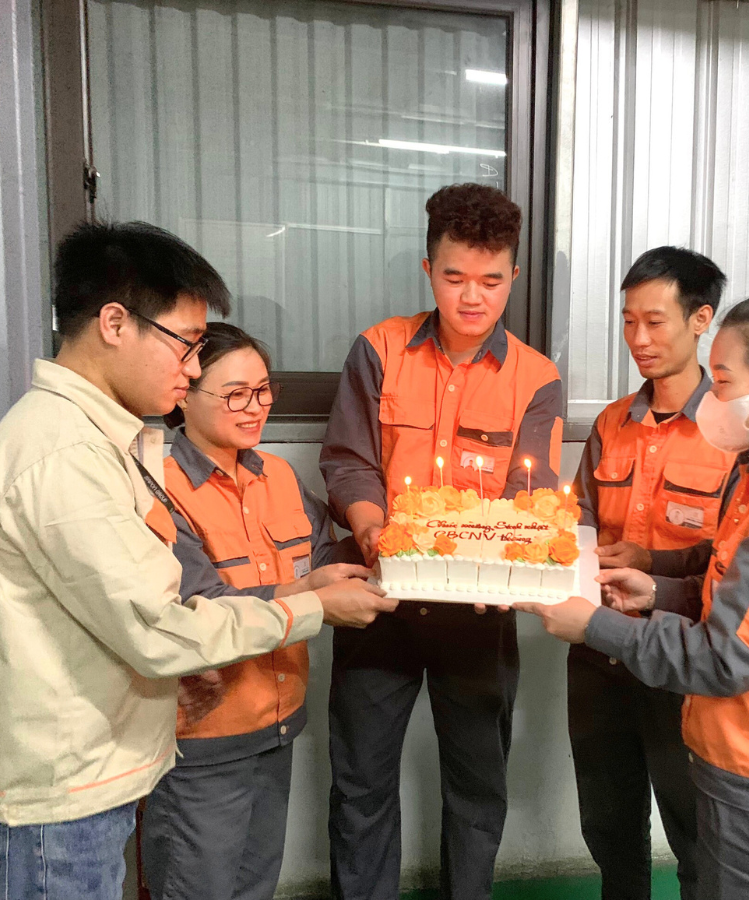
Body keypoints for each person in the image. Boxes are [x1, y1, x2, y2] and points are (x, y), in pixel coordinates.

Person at [0, 222, 395, 900]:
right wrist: (312, 606)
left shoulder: (110, 444)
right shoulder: (68, 455)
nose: (189, 368)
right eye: (185, 345)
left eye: (262, 390)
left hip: (117, 761)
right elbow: (162, 626)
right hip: (70, 789)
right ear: (115, 323)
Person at [517, 291, 749, 900]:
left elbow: (728, 658)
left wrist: (594, 626)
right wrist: (657, 590)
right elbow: (739, 595)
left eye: (723, 382)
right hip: (738, 773)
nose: (712, 400)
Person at [320, 182, 563, 900]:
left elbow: (530, 494)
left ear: (513, 276)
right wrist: (374, 530)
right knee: (361, 781)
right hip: (378, 601)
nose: (472, 297)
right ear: (429, 270)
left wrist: (497, 566)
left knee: (477, 784)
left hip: (477, 614)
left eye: (491, 280)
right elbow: (349, 460)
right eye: (455, 277)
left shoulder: (536, 378)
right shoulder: (379, 348)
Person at [140, 323, 372, 900]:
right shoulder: (159, 490)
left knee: (255, 885)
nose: (255, 408)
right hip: (202, 742)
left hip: (277, 727)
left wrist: (399, 547)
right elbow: (199, 610)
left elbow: (326, 557)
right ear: (184, 395)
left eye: (264, 390)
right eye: (236, 394)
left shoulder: (280, 477)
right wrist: (311, 594)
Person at [569, 247, 733, 900]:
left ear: (701, 320)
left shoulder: (733, 432)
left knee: (696, 832)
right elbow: (577, 524)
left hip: (682, 658)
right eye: (629, 321)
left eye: (655, 322)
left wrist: (650, 566)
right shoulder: (612, 423)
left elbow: (734, 558)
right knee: (607, 824)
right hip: (598, 653)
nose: (638, 338)